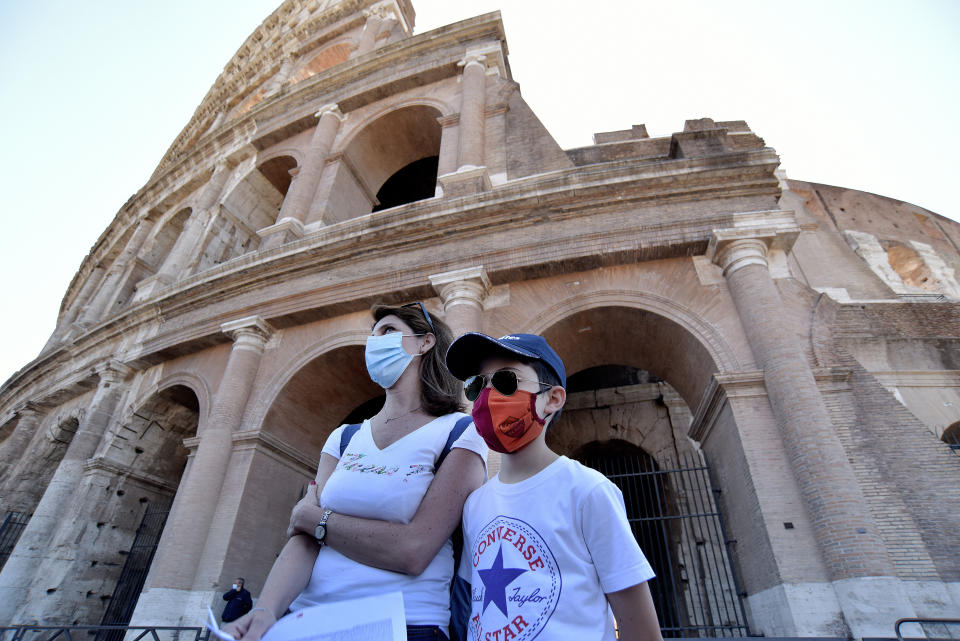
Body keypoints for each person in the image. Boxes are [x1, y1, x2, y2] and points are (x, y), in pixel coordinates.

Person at [225, 303, 487, 641]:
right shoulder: (344, 437)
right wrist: (265, 611)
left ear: (425, 343)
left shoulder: (460, 431)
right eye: (372, 335)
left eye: (388, 331)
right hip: (307, 621)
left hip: (404, 624)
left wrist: (318, 520)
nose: (374, 342)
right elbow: (304, 542)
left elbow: (414, 550)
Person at [445, 332, 664, 641]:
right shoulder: (474, 505)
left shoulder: (588, 490)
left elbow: (642, 630)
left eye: (507, 380)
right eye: (477, 385)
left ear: (553, 398)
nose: (487, 396)